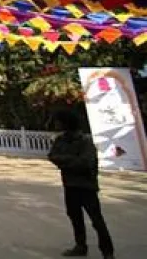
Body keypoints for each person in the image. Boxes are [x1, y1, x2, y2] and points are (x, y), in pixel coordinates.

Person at [48, 110, 114, 259]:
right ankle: (80, 246)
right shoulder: (60, 140)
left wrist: (65, 162)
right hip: (70, 185)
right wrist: (70, 160)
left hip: (86, 186)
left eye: (59, 121)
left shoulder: (85, 141)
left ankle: (107, 251)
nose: (56, 124)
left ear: (67, 122)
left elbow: (85, 163)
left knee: (96, 220)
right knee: (74, 217)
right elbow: (52, 156)